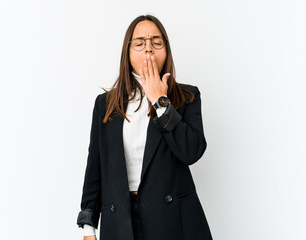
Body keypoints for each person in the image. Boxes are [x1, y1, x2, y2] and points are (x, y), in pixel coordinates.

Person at [76, 14, 213, 240]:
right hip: (119, 220)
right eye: (140, 43)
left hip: (173, 223)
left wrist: (161, 102)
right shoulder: (106, 104)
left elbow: (192, 152)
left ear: (166, 51)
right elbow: (96, 166)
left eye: (156, 43)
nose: (148, 49)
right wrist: (89, 226)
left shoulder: (187, 96)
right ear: (127, 53)